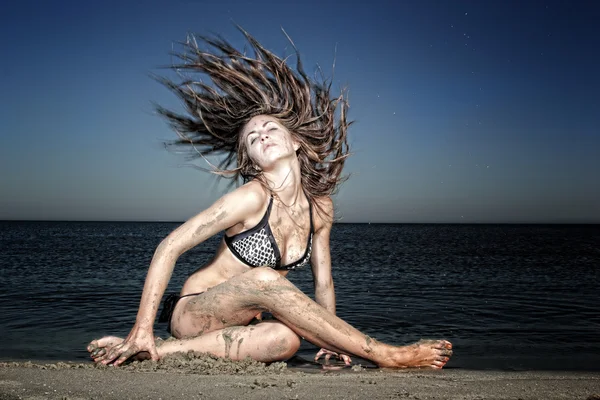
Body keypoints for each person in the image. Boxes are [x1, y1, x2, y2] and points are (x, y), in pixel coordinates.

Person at [87, 29, 452, 369]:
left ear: (296, 142)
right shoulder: (251, 197)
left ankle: (161, 352)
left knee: (285, 340)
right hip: (195, 312)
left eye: (270, 128)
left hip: (243, 323)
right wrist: (143, 326)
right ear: (251, 160)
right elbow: (169, 247)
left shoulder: (320, 207)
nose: (261, 135)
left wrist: (331, 341)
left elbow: (323, 281)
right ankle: (386, 354)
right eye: (251, 138)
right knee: (263, 277)